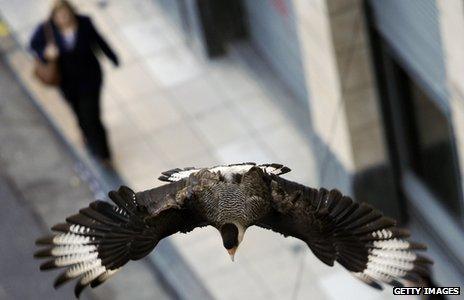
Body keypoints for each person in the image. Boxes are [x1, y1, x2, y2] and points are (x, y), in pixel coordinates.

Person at [30, 0, 119, 162]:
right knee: (79, 113)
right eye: (60, 16)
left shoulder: (84, 22)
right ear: (54, 17)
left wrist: (113, 57)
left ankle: (104, 153)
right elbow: (33, 45)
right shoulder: (46, 29)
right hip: (67, 83)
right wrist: (46, 54)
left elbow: (98, 41)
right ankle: (87, 137)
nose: (64, 19)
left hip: (90, 79)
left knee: (92, 116)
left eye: (66, 15)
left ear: (72, 13)